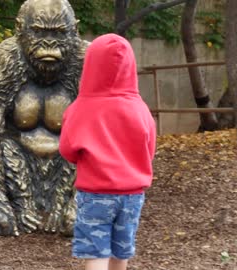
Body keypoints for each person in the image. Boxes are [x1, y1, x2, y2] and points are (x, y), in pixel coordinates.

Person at [59, 33, 156, 270]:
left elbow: (67, 150)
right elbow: (149, 149)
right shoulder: (140, 108)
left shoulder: (80, 108)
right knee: (121, 251)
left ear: (91, 66)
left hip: (95, 194)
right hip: (132, 195)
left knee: (95, 252)